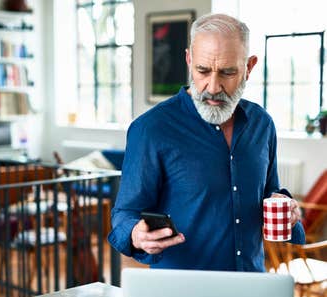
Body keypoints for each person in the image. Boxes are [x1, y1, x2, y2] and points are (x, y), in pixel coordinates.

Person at [108, 13, 305, 271]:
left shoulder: (262, 124)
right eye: (203, 70)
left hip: (250, 287)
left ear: (249, 67)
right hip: (182, 294)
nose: (213, 86)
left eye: (227, 72)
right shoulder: (151, 129)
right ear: (189, 60)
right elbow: (124, 213)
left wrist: (289, 212)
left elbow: (270, 192)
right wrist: (136, 233)